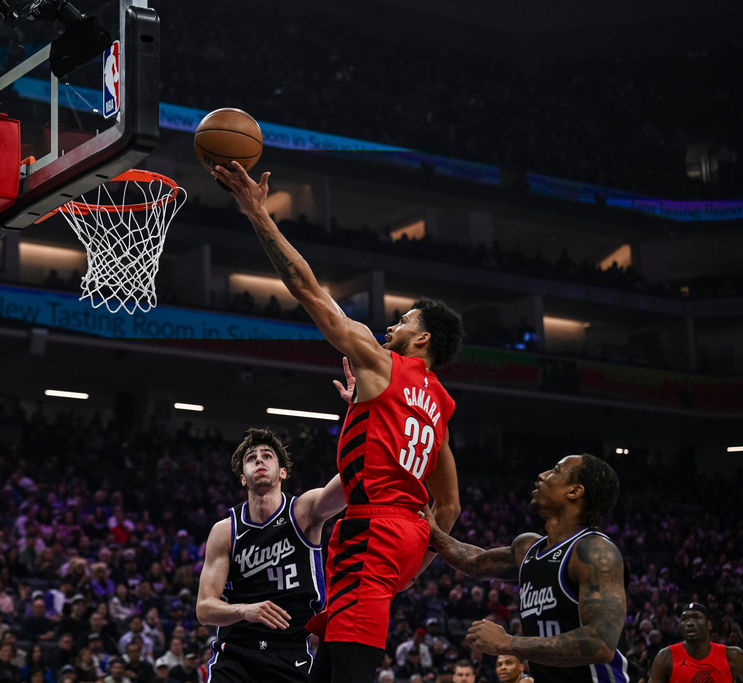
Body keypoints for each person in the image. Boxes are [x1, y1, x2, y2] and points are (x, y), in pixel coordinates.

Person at [214, 162, 464, 683]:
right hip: (403, 536)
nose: (393, 324)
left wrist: (258, 212)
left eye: (406, 321)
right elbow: (451, 503)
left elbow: (307, 290)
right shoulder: (439, 402)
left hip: (371, 531)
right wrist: (413, 568)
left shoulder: (381, 361)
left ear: (423, 341)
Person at [423, 454, 628, 683]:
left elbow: (601, 643)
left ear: (574, 491)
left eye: (555, 470)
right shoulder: (528, 548)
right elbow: (477, 563)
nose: (542, 475)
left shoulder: (594, 550)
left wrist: (509, 643)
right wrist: (434, 533)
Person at [196, 428, 346, 683]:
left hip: (290, 652)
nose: (259, 460)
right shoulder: (225, 531)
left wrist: (366, 410)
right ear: (243, 478)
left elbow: (352, 479)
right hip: (236, 654)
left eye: (267, 456)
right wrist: (244, 610)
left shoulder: (304, 511)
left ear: (282, 472)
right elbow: (204, 609)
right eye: (251, 458)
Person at [646, 602, 743, 683]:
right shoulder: (665, 658)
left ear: (709, 625)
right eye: (684, 619)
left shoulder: (733, 656)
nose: (690, 623)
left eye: (696, 618)